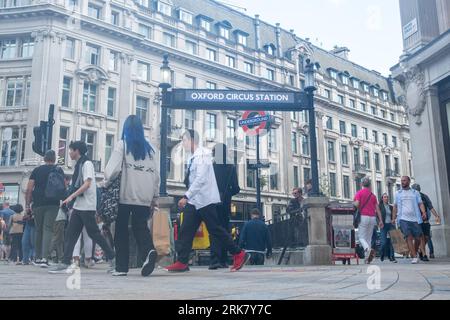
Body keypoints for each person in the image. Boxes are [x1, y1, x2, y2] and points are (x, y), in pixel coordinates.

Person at [165, 130, 249, 273]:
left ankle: (239, 253)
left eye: (184, 140)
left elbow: (201, 178)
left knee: (215, 230)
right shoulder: (194, 156)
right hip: (195, 200)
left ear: (192, 140)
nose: (182, 144)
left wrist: (186, 196)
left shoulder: (202, 155)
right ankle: (182, 261)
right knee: (186, 229)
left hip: (205, 199)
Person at [104, 115, 160, 277]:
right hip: (144, 196)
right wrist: (154, 197)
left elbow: (112, 170)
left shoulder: (122, 145)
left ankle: (121, 267)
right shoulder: (151, 150)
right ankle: (149, 250)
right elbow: (157, 176)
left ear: (126, 129)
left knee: (120, 229)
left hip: (125, 194)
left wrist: (105, 183)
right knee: (140, 226)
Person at [49, 141, 115, 274]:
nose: (69, 153)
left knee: (93, 233)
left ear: (77, 151)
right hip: (80, 206)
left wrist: (71, 197)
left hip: (87, 205)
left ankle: (113, 258)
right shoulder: (79, 165)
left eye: (71, 150)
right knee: (71, 234)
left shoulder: (87, 164)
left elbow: (87, 184)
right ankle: (66, 262)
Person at [26, 150, 65, 267]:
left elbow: (29, 189)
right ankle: (45, 258)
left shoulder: (37, 170)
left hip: (38, 203)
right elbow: (63, 186)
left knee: (38, 229)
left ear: (44, 158)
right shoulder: (59, 170)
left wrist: (28, 205)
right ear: (54, 159)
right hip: (53, 203)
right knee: (48, 229)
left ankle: (37, 258)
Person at [209, 143, 240, 270]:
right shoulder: (231, 167)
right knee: (224, 230)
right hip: (225, 203)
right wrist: (227, 194)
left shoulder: (210, 167)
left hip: (212, 202)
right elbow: (236, 188)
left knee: (214, 230)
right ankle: (224, 260)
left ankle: (214, 260)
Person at [392, 176, 427, 264]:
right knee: (409, 237)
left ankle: (413, 252)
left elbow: (420, 203)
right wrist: (393, 218)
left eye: (404, 181)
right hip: (403, 218)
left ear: (409, 181)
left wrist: (423, 212)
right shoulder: (398, 193)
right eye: (401, 181)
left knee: (418, 238)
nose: (402, 182)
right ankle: (414, 256)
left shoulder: (415, 193)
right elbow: (395, 206)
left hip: (415, 218)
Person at [354, 177, 383, 264]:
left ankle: (368, 249)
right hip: (373, 218)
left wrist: (353, 203)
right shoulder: (372, 195)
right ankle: (368, 259)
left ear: (361, 184)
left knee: (361, 237)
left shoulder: (359, 193)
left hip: (363, 217)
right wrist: (380, 220)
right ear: (369, 184)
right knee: (369, 238)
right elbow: (377, 209)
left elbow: (357, 204)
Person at [411, 184, 441, 261]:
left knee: (427, 237)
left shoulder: (424, 196)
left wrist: (436, 215)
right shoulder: (411, 198)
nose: (417, 190)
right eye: (415, 189)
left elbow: (430, 207)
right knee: (421, 237)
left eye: (418, 189)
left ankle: (420, 250)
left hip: (425, 220)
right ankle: (424, 254)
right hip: (417, 220)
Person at [50, 175, 71, 263]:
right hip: (60, 216)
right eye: (68, 182)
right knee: (57, 238)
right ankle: (47, 254)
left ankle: (59, 257)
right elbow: (63, 205)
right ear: (64, 180)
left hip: (54, 216)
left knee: (59, 238)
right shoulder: (62, 190)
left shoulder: (54, 189)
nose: (68, 184)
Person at [378, 193, 397, 263]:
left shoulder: (391, 207)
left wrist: (393, 219)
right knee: (384, 242)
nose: (386, 198)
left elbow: (394, 214)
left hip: (391, 225)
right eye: (385, 197)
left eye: (387, 197)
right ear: (382, 198)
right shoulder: (379, 206)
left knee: (392, 241)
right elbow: (377, 215)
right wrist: (379, 222)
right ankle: (382, 254)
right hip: (383, 225)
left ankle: (392, 257)